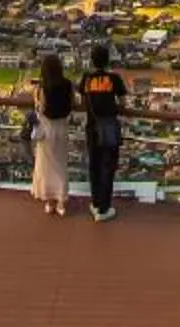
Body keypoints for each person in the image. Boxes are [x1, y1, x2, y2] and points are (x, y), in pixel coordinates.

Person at [79, 40, 128, 222]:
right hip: (109, 128)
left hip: (92, 127)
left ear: (92, 61)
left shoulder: (86, 78)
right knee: (108, 167)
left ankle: (96, 202)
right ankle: (104, 208)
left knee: (94, 166)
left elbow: (83, 100)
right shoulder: (114, 79)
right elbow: (123, 103)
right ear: (107, 61)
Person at [28, 52, 74, 216]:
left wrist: (35, 95)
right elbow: (72, 105)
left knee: (45, 166)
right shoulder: (68, 85)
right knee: (61, 165)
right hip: (62, 128)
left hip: (46, 131)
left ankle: (49, 201)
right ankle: (61, 201)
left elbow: (40, 109)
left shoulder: (42, 88)